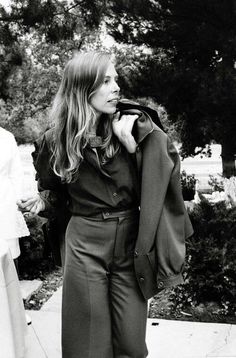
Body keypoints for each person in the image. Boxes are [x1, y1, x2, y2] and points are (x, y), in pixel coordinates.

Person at [18, 51, 193, 358]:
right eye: (106, 81)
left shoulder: (137, 130)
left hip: (130, 242)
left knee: (132, 343)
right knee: (88, 344)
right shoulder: (54, 140)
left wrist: (132, 149)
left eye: (116, 80)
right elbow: (55, 192)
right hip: (85, 243)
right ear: (83, 89)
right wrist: (41, 201)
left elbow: (159, 190)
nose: (116, 88)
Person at [0, 127, 30, 268]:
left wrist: (18, 203)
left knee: (8, 257)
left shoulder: (6, 137)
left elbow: (16, 174)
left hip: (4, 204)